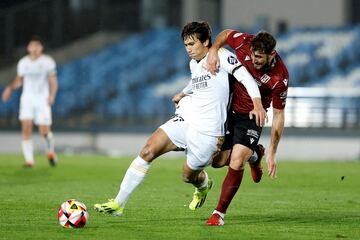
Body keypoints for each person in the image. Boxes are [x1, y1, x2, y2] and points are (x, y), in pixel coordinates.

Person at [94, 21, 266, 217]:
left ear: (206, 41)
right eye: (186, 45)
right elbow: (197, 81)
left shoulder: (221, 56)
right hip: (188, 117)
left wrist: (257, 103)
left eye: (192, 44)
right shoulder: (193, 63)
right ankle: (118, 204)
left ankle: (207, 182)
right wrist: (183, 93)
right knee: (148, 150)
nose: (188, 50)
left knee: (189, 175)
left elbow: (246, 78)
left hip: (208, 132)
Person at [205, 29, 289, 226]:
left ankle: (219, 214)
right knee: (217, 161)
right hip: (228, 109)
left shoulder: (280, 79)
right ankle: (254, 155)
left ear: (272, 55)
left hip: (252, 116)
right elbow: (226, 34)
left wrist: (273, 152)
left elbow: (278, 115)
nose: (253, 59)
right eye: (252, 54)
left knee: (236, 159)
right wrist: (214, 49)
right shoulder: (244, 42)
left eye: (259, 57)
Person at [1, 36, 58, 167]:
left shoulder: (48, 62)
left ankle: (50, 152)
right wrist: (9, 89)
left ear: (41, 48)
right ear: (28, 48)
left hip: (42, 99)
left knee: (44, 130)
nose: (34, 48)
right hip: (27, 98)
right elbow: (19, 80)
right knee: (26, 127)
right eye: (32, 46)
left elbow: (53, 81)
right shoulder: (23, 63)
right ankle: (29, 160)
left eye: (37, 46)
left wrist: (52, 95)